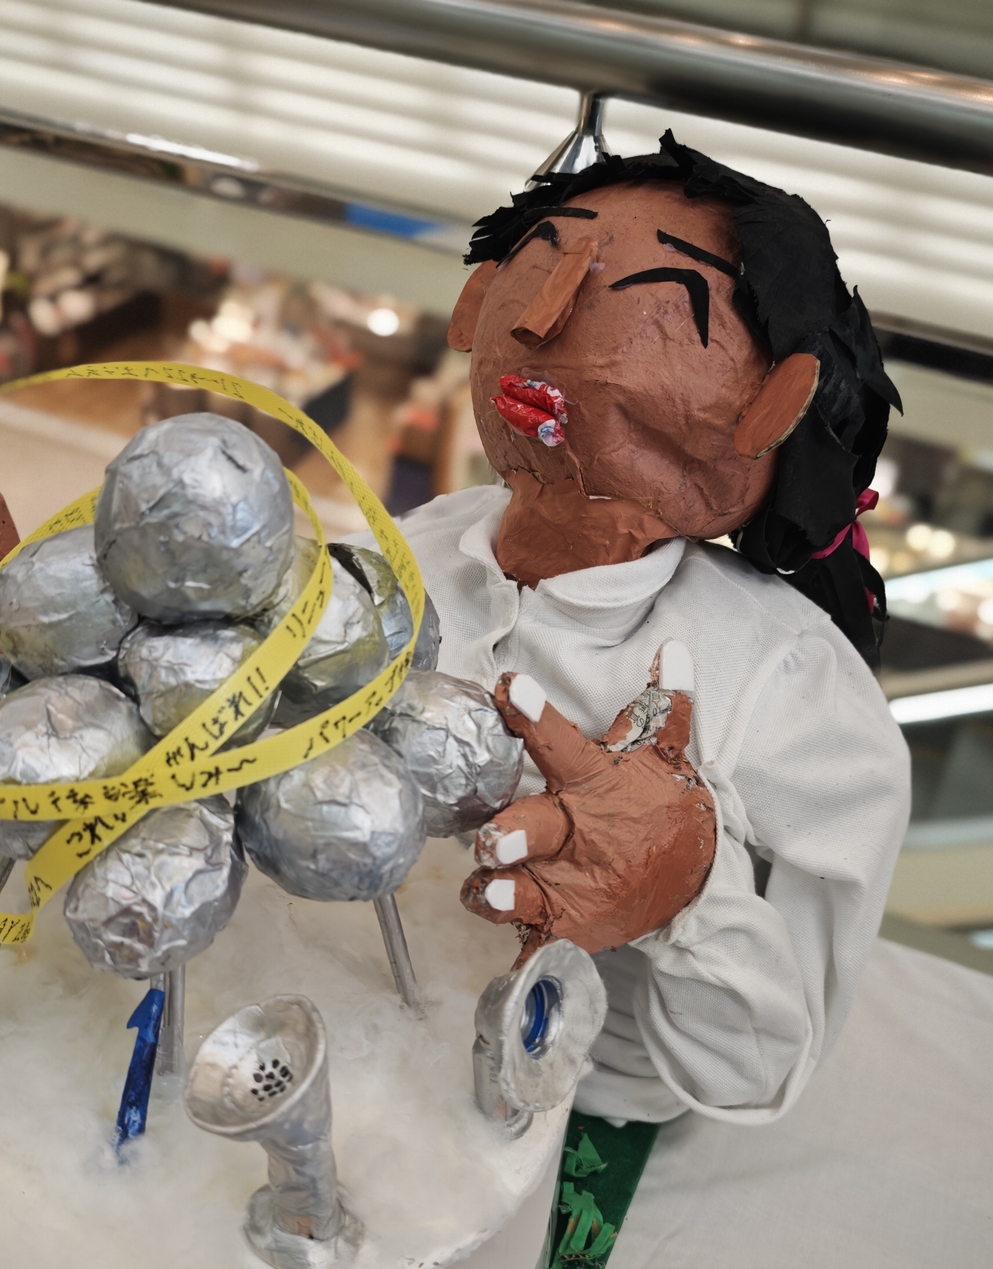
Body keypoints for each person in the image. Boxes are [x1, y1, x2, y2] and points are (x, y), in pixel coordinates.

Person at [385, 132, 911, 1125]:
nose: (539, 321)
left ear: (771, 407)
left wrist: (687, 885)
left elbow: (757, 1076)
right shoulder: (429, 541)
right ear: (475, 301)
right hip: (355, 1002)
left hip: (576, 1103)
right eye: (539, 269)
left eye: (641, 302)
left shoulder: (787, 688)